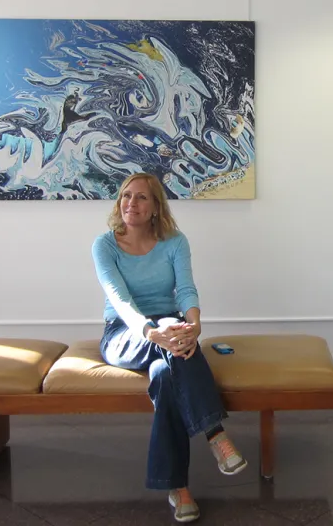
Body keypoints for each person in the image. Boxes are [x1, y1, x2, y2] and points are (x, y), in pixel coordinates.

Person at [91, 171, 247, 523]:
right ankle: (215, 433)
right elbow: (120, 300)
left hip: (169, 329)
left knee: (164, 377)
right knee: (168, 336)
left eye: (141, 197)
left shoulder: (175, 241)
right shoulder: (104, 245)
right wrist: (151, 331)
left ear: (156, 206)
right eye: (126, 196)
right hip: (123, 332)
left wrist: (194, 325)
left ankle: (177, 488)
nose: (132, 203)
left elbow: (186, 290)